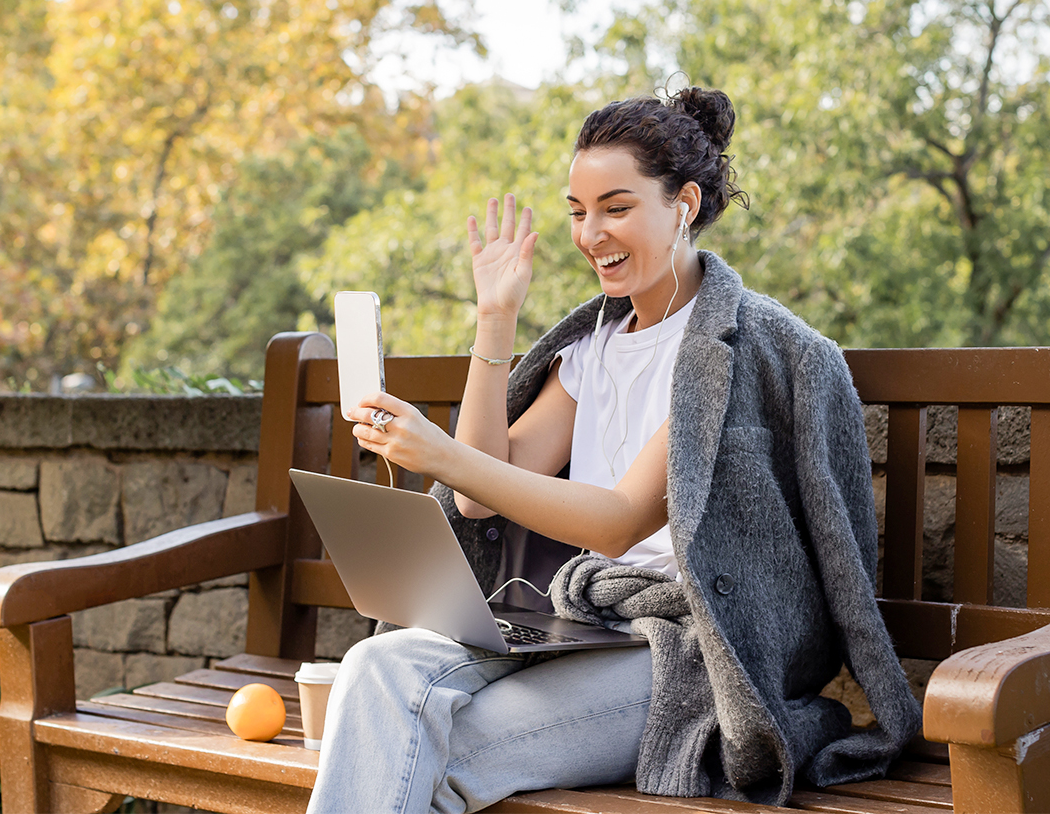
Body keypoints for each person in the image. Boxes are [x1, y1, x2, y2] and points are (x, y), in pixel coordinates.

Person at [307, 87, 921, 814]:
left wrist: (438, 454)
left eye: (616, 207)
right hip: (578, 625)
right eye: (576, 211)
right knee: (376, 667)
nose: (590, 232)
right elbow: (480, 490)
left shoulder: (732, 353)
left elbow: (617, 521)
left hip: (683, 654)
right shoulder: (592, 348)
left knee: (423, 755)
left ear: (684, 204)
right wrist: (495, 317)